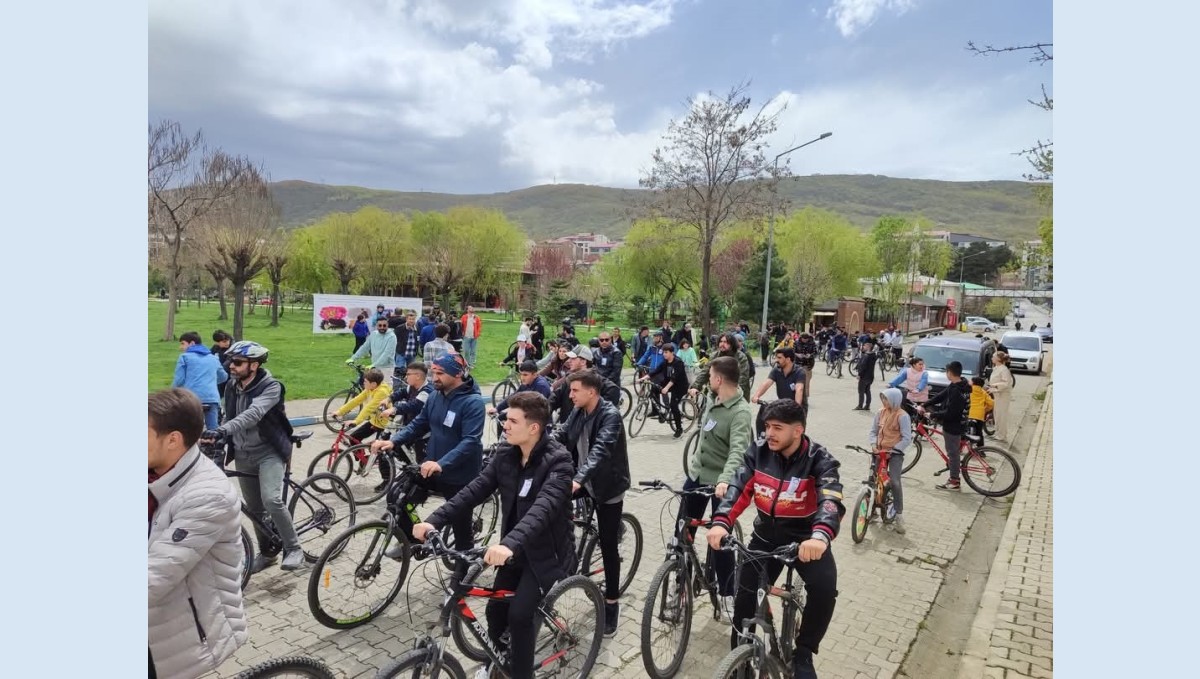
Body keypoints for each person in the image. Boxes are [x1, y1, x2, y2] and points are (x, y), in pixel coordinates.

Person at [412, 392, 576, 679]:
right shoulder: (506, 453)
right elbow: (475, 489)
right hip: (512, 550)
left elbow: (542, 510)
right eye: (506, 419)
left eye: (512, 420)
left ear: (534, 427)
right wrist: (433, 520)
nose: (505, 425)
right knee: (495, 612)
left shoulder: (558, 462)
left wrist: (508, 544)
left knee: (520, 615)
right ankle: (501, 662)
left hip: (544, 554)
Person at [706, 400, 843, 679]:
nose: (769, 433)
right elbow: (737, 488)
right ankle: (740, 658)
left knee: (824, 588)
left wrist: (820, 536)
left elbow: (830, 500)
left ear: (798, 430)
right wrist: (721, 523)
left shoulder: (820, 459)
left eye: (777, 428)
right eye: (767, 426)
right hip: (765, 537)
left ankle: (804, 652)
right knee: (743, 592)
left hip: (805, 539)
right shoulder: (758, 451)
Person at [149, 388, 246, 679]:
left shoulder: (207, 496)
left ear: (173, 440)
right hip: (158, 623)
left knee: (272, 498)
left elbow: (155, 576)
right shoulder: (156, 469)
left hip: (182, 634)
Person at [371, 354, 484, 552]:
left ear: (458, 374)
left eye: (440, 373)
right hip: (432, 467)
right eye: (433, 372)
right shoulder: (435, 396)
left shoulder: (472, 403)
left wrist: (442, 463)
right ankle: (414, 540)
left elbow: (470, 441)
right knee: (396, 495)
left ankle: (462, 578)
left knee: (461, 529)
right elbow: (418, 424)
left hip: (459, 475)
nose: (434, 378)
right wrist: (392, 441)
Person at [207, 341, 302, 572]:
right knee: (255, 509)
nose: (231, 366)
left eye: (237, 362)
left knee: (271, 500)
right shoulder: (232, 385)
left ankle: (294, 548)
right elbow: (228, 413)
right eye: (230, 361)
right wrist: (214, 432)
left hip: (269, 452)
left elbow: (254, 413)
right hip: (242, 453)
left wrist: (225, 429)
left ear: (255, 365)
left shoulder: (271, 387)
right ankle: (268, 553)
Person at [553, 370, 631, 637]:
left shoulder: (610, 416)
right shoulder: (579, 411)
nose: (570, 395)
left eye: (574, 390)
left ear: (591, 392)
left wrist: (578, 478)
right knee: (551, 508)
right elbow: (562, 434)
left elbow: (601, 450)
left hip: (607, 485)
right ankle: (564, 560)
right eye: (570, 390)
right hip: (584, 481)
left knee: (608, 546)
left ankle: (611, 605)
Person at [681, 356, 752, 619]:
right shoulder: (713, 400)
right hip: (698, 475)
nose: (708, 380)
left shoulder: (741, 412)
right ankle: (681, 577)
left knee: (719, 538)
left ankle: (727, 592)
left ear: (719, 379)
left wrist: (724, 479)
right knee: (683, 528)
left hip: (721, 482)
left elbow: (738, 451)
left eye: (710, 376)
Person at [918, 361, 971, 492]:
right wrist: (925, 404)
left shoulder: (957, 391)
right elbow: (941, 395)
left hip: (954, 426)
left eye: (946, 371)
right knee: (954, 453)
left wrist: (933, 414)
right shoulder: (959, 384)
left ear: (949, 373)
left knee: (953, 454)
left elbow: (951, 413)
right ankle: (954, 473)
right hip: (961, 422)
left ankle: (954, 481)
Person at [868, 388, 912, 533]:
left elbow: (907, 438)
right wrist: (873, 445)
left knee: (895, 481)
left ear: (894, 400)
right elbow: (873, 432)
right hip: (879, 452)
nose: (884, 402)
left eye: (886, 399)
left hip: (894, 454)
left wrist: (895, 450)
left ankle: (898, 515)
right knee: (873, 480)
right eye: (882, 399)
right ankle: (871, 510)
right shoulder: (880, 412)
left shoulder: (903, 416)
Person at [548, 347, 621, 423]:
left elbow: (613, 391)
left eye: (573, 358)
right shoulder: (569, 380)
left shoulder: (598, 382)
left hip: (587, 432)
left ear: (583, 361)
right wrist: (541, 413)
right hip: (567, 430)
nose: (569, 361)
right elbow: (555, 398)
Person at [173, 331, 228, 430]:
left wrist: (172, 394)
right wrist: (210, 381)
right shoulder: (213, 358)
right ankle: (213, 441)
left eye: (183, 344)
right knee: (213, 429)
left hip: (192, 398)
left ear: (192, 343)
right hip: (211, 398)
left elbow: (179, 380)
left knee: (189, 429)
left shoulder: (184, 357)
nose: (181, 347)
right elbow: (224, 377)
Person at [382, 361, 434, 464]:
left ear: (418, 376)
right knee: (399, 447)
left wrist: (394, 409)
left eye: (408, 374)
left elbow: (414, 405)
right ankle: (407, 470)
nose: (406, 377)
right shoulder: (412, 386)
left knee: (420, 460)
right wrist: (389, 399)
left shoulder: (427, 391)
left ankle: (412, 470)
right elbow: (401, 392)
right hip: (411, 425)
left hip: (422, 430)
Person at [751, 346, 807, 437]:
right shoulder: (776, 370)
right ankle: (763, 438)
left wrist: (797, 407)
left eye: (779, 358)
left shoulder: (799, 372)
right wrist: (756, 395)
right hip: (783, 405)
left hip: (797, 406)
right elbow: (767, 383)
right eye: (776, 357)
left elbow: (799, 389)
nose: (776, 360)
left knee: (796, 434)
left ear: (788, 359)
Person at [332, 368, 393, 443]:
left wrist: (356, 421)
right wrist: (339, 412)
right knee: (353, 438)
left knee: (378, 449)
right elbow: (356, 400)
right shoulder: (370, 388)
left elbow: (369, 408)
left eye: (365, 381)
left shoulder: (382, 392)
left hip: (384, 425)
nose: (363, 383)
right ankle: (361, 455)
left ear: (373, 384)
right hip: (374, 422)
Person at [641, 342, 690, 437]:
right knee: (654, 389)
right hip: (669, 383)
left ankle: (679, 429)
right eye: (663, 352)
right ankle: (657, 411)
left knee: (673, 405)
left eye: (666, 352)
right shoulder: (665, 362)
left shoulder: (678, 362)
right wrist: (645, 377)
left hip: (680, 386)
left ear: (672, 352)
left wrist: (666, 388)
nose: (664, 354)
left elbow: (674, 378)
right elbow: (656, 370)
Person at [691, 333, 751, 402]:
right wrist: (696, 386)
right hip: (715, 394)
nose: (722, 344)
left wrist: (731, 393)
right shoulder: (715, 355)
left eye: (725, 342)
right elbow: (705, 371)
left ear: (732, 344)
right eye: (721, 341)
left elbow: (742, 377)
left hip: (736, 395)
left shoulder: (741, 357)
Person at [349, 317, 399, 389]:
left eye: (384, 325)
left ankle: (389, 400)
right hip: (375, 366)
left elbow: (387, 354)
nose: (382, 327)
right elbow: (365, 347)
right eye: (380, 325)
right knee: (373, 388)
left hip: (386, 367)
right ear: (376, 326)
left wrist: (374, 365)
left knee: (385, 388)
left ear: (387, 325)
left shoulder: (392, 336)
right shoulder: (373, 334)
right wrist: (353, 358)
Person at [987, 351, 1014, 442]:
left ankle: (1002, 435)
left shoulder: (1004, 369)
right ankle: (997, 433)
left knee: (1001, 415)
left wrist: (994, 386)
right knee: (996, 415)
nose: (992, 358)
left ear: (998, 359)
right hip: (997, 395)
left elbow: (1006, 383)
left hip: (1003, 396)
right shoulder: (997, 368)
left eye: (993, 356)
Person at [394, 312, 422, 381]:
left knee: (411, 371)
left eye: (413, 319)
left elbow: (418, 340)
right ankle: (398, 385)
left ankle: (409, 384)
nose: (411, 321)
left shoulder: (417, 329)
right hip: (401, 353)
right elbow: (394, 340)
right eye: (410, 319)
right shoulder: (399, 328)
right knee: (399, 371)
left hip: (412, 354)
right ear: (406, 319)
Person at [968, 376, 994, 445]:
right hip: (980, 415)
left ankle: (960, 448)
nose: (969, 382)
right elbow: (991, 403)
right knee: (979, 433)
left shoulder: (969, 390)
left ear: (973, 383)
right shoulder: (983, 392)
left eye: (970, 381)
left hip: (970, 413)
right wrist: (986, 409)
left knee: (965, 432)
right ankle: (980, 450)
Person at [854, 339, 878, 411]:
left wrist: (859, 374)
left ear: (868, 347)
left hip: (864, 377)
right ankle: (867, 406)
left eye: (864, 345)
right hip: (870, 376)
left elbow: (863, 366)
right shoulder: (873, 355)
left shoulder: (866, 356)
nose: (863, 346)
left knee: (861, 391)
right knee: (868, 391)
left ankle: (860, 405)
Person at [210, 330, 233, 399]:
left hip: (229, 375)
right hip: (217, 375)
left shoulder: (232, 349)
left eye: (228, 340)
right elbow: (209, 357)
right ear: (217, 342)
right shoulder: (215, 348)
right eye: (224, 342)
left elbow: (228, 362)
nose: (227, 343)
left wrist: (220, 369)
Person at [460, 305, 482, 369]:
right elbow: (461, 326)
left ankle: (471, 364)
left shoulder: (476, 317)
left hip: (474, 337)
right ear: (467, 310)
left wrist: (477, 334)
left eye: (472, 308)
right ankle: (467, 363)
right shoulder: (464, 317)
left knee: (473, 351)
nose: (471, 309)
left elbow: (479, 326)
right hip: (466, 336)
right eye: (470, 308)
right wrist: (462, 333)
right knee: (466, 351)